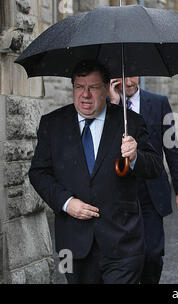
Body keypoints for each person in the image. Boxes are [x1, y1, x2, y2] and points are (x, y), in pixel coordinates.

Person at [28, 60, 163, 284]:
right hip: (74, 245)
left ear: (106, 89)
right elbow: (39, 173)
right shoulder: (53, 124)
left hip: (122, 243)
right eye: (79, 87)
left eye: (93, 87)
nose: (85, 95)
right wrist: (66, 202)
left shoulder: (130, 123)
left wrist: (136, 156)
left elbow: (155, 167)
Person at [109, 77, 178, 284]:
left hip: (151, 191)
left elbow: (171, 147)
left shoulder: (159, 102)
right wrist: (114, 106)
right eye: (123, 76)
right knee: (123, 256)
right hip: (118, 190)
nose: (128, 81)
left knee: (152, 254)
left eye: (133, 75)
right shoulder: (106, 104)